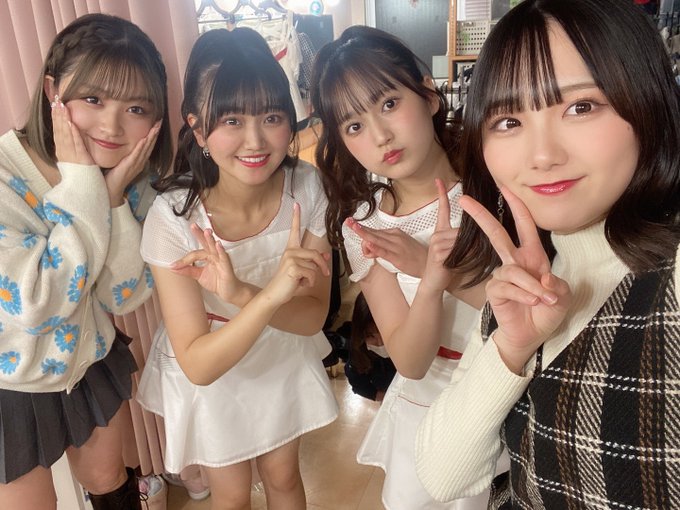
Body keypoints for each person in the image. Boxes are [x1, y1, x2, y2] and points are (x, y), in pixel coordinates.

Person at [415, 0, 680, 508]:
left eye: (581, 107)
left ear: (649, 103)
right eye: (508, 121)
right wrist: (510, 348)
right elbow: (441, 476)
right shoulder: (527, 271)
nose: (542, 156)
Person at [136, 27, 338, 510]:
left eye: (271, 117)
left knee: (283, 476)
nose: (255, 140)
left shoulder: (306, 187)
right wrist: (267, 297)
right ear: (198, 129)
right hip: (216, 355)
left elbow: (312, 317)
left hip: (281, 348)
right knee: (231, 495)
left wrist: (244, 293)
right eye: (231, 119)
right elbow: (199, 365)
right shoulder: (175, 217)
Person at [310, 26, 493, 510]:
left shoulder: (495, 181)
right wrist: (430, 284)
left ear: (429, 94)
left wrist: (437, 269)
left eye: (389, 103)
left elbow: (535, 311)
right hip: (430, 406)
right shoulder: (367, 228)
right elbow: (410, 362)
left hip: (509, 390)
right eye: (354, 126)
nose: (380, 136)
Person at [0, 13, 172, 510]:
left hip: (87, 358)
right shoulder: (6, 175)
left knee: (109, 479)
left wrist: (113, 197)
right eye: (93, 99)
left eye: (135, 108)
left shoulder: (127, 176)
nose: (111, 126)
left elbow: (123, 294)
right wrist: (83, 184)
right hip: (9, 382)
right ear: (53, 91)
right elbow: (38, 305)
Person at [344, 292, 396, 402]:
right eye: (370, 335)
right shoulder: (358, 347)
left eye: (385, 333)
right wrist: (387, 398)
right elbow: (357, 381)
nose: (380, 343)